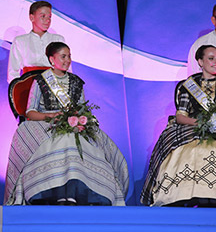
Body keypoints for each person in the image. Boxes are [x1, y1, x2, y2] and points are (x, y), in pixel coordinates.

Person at [4, 42, 129, 206]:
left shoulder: (76, 82)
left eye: (69, 56)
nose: (67, 60)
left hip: (73, 123)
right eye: (63, 56)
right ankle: (51, 190)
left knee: (95, 139)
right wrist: (53, 116)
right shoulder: (40, 81)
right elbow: (30, 113)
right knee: (63, 138)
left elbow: (82, 110)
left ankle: (86, 189)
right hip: (45, 122)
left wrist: (81, 119)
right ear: (51, 59)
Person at [141, 45, 216, 208]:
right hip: (194, 127)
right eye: (211, 58)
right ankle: (183, 194)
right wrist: (202, 124)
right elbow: (181, 117)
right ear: (200, 61)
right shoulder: (189, 85)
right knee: (190, 150)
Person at [7, 0, 66, 83]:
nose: (47, 20)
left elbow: (66, 70)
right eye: (43, 16)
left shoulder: (58, 40)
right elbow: (13, 73)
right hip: (29, 85)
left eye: (49, 17)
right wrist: (19, 90)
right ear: (32, 17)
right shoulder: (20, 41)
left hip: (54, 86)